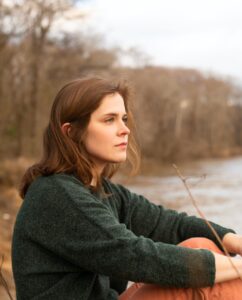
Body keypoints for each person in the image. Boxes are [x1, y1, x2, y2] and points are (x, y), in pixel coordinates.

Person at [12, 76, 242, 300]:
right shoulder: (56, 196)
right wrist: (237, 266)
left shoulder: (102, 190)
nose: (125, 129)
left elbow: (169, 224)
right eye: (109, 120)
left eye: (123, 118)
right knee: (212, 283)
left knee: (200, 244)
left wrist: (230, 238)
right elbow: (136, 256)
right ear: (71, 132)